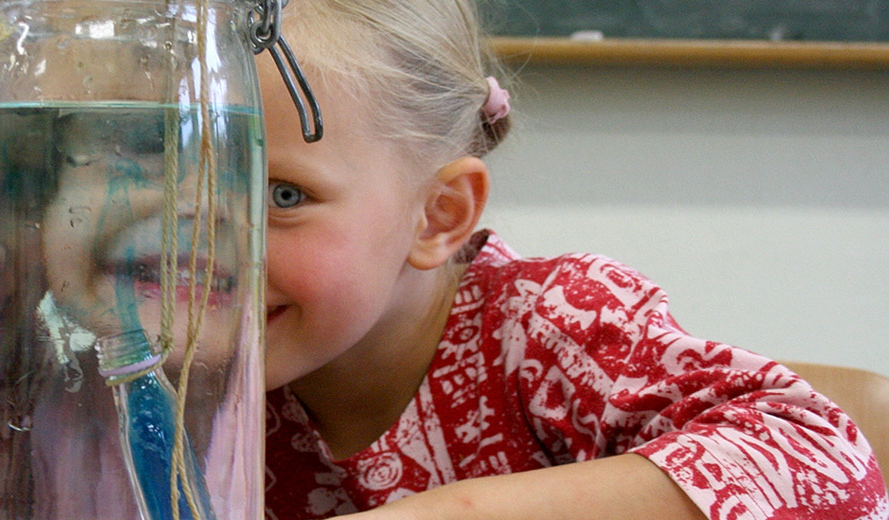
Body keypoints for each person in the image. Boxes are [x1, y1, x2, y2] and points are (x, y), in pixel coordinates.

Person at [255, 1, 887, 519]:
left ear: (439, 215)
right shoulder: (180, 370)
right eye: (167, 181)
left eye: (283, 196)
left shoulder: (552, 322)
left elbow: (826, 462)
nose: (202, 253)